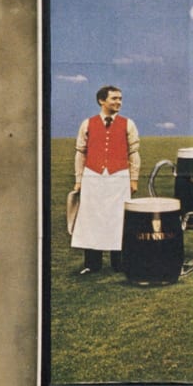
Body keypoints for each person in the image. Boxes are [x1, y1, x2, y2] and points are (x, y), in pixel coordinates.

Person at [69, 84, 139, 275]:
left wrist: (133, 179)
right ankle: (92, 264)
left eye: (120, 99)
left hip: (119, 178)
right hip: (93, 177)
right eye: (114, 98)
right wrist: (79, 179)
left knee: (119, 219)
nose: (119, 102)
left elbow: (133, 153)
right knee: (92, 219)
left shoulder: (128, 124)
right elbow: (80, 153)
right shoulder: (87, 123)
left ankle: (120, 263)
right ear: (102, 100)